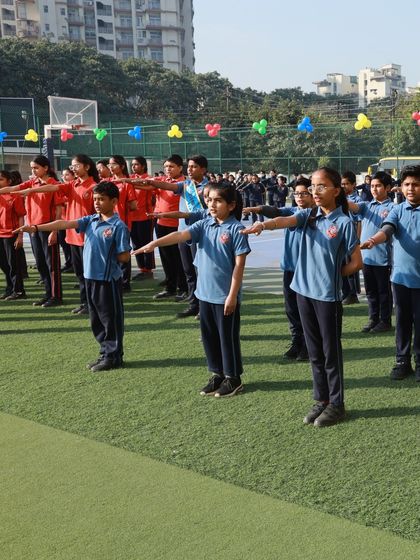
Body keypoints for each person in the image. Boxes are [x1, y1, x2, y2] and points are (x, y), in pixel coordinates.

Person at [243, 167, 362, 427]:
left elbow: (356, 262)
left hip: (327, 297)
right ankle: (322, 400)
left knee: (331, 353)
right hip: (302, 293)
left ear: (336, 191)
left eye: (322, 186)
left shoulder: (343, 222)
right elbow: (285, 221)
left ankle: (338, 404)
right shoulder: (308, 214)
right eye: (313, 187)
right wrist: (263, 224)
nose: (315, 192)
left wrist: (334, 274)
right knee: (314, 352)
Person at [134, 182, 251, 397]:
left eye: (218, 200)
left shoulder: (237, 229)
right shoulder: (205, 224)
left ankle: (233, 378)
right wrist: (154, 244)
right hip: (204, 294)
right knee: (209, 336)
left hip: (224, 296)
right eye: (209, 200)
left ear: (231, 205)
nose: (212, 204)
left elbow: (239, 266)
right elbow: (180, 235)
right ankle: (217, 374)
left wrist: (232, 296)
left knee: (227, 338)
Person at [14, 182, 131, 372]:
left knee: (110, 320)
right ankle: (104, 352)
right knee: (96, 320)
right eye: (95, 199)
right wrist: (36, 228)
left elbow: (124, 256)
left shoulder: (118, 226)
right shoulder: (91, 220)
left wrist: (112, 257)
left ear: (114, 201)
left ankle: (114, 356)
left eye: (101, 199)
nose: (97, 203)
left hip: (108, 280)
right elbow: (65, 223)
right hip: (90, 278)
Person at [128, 155, 208, 319]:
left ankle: (205, 307)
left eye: (194, 167)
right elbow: (165, 185)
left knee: (202, 272)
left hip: (201, 234)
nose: (190, 170)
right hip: (183, 233)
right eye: (189, 167)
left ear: (203, 169)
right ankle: (193, 304)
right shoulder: (185, 185)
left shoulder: (210, 187)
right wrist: (151, 182)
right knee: (189, 272)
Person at [17, 154, 99, 315]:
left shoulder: (94, 187)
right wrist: (31, 189)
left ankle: (93, 303)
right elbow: (52, 187)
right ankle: (85, 302)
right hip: (72, 236)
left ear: (87, 167)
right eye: (72, 166)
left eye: (76, 165)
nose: (73, 168)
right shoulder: (72, 184)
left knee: (90, 273)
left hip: (88, 238)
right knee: (80, 273)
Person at [360, 165, 420, 381]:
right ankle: (402, 362)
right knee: (403, 322)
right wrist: (374, 239)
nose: (411, 188)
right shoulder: (397, 210)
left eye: (415, 184)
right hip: (400, 278)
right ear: (401, 187)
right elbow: (387, 229)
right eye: (406, 184)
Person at [244, 177, 314, 361]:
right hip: (289, 268)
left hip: (307, 270)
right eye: (297, 193)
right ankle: (297, 342)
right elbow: (275, 211)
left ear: (313, 193)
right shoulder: (293, 209)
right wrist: (255, 209)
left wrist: (264, 225)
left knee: (305, 310)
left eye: (304, 193)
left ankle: (308, 345)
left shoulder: (314, 213)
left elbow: (281, 220)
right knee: (291, 309)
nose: (299, 196)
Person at [0, 155, 63, 307]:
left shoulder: (54, 185)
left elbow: (59, 209)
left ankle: (56, 296)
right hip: (33, 229)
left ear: (46, 168)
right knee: (41, 263)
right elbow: (14, 188)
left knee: (51, 265)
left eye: (36, 168)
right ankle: (48, 294)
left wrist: (54, 231)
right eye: (32, 168)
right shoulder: (32, 183)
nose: (33, 171)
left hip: (47, 228)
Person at [347, 172, 394, 333]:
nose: (374, 189)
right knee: (371, 292)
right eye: (372, 186)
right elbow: (353, 207)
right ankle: (373, 318)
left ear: (387, 187)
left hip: (384, 259)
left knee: (384, 292)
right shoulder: (367, 205)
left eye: (378, 186)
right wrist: (337, 197)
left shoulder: (393, 208)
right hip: (367, 258)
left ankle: (385, 321)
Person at [108, 155, 137, 292]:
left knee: (123, 252)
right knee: (110, 252)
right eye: (109, 164)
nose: (111, 167)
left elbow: (133, 205)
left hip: (122, 224)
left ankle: (125, 283)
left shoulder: (127, 183)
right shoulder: (107, 183)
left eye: (114, 164)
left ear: (122, 166)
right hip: (107, 224)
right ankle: (114, 279)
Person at [0, 170, 26, 300]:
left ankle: (19, 290)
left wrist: (20, 235)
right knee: (4, 264)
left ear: (9, 182)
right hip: (0, 235)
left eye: (1, 180)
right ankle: (10, 288)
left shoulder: (15, 195)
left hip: (11, 234)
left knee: (13, 264)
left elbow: (21, 216)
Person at [129, 156, 155, 281]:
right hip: (131, 217)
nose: (134, 167)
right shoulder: (130, 178)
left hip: (145, 216)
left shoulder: (148, 179)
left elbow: (151, 189)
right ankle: (142, 269)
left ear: (143, 166)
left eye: (136, 164)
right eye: (132, 164)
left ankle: (148, 270)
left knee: (146, 243)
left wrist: (133, 185)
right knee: (136, 244)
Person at [341, 171, 362, 305]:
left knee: (352, 265)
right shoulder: (340, 199)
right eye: (342, 184)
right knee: (342, 264)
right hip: (341, 236)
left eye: (347, 184)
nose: (344, 186)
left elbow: (359, 221)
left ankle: (352, 294)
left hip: (352, 235)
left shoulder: (357, 201)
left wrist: (357, 241)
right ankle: (345, 292)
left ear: (354, 185)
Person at [59, 167, 74, 272]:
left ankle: (73, 263)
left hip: (71, 221)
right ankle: (69, 262)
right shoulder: (62, 188)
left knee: (72, 245)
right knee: (64, 243)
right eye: (63, 175)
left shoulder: (73, 187)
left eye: (67, 175)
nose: (64, 177)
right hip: (62, 221)